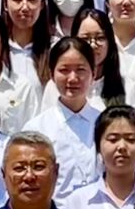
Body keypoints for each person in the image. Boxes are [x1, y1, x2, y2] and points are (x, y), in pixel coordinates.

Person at [35, 36, 102, 194]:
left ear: (93, 73)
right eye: (64, 70)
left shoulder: (105, 123)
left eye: (80, 70)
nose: (72, 78)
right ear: (52, 74)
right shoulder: (37, 129)